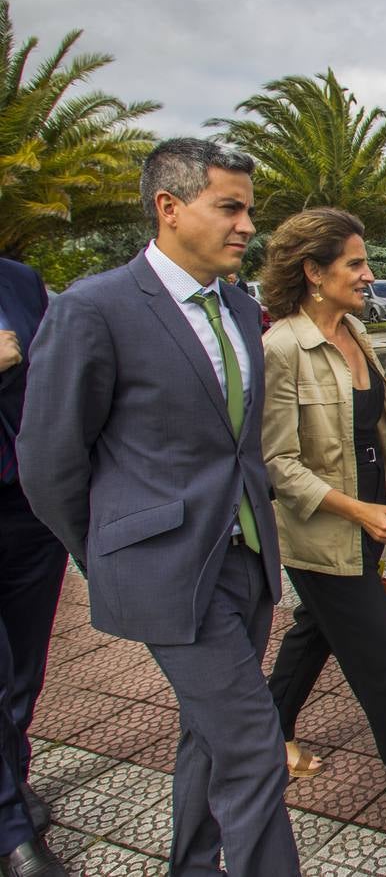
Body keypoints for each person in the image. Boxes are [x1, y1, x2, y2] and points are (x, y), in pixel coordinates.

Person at [18, 138, 300, 877]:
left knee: (208, 741)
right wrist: (111, 553)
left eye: (250, 210)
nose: (246, 225)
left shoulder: (241, 309)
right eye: (229, 208)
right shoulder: (94, 308)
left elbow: (236, 446)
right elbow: (48, 464)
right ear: (169, 209)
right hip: (166, 571)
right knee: (251, 746)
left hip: (244, 563)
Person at [258, 208, 386, 843]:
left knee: (314, 632)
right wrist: (357, 512)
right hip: (322, 531)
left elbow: (374, 435)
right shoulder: (281, 348)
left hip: (367, 524)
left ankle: (271, 734)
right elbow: (276, 463)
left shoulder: (352, 328)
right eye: (355, 263)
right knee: (382, 654)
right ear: (313, 272)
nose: (368, 273)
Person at [0, 259, 69, 877]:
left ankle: (14, 784)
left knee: (24, 668)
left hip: (25, 508)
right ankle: (11, 831)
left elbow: (52, 385)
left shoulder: (19, 281)